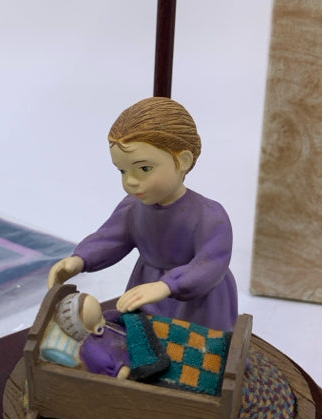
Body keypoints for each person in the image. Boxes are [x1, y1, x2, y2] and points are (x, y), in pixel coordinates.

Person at [48, 97, 238, 331]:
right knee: (142, 338)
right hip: (146, 287)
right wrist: (79, 260)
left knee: (193, 350)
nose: (130, 181)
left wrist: (166, 286)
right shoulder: (132, 207)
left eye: (144, 169)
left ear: (183, 161)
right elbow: (111, 238)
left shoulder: (210, 216)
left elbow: (210, 264)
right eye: (122, 171)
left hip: (197, 302)